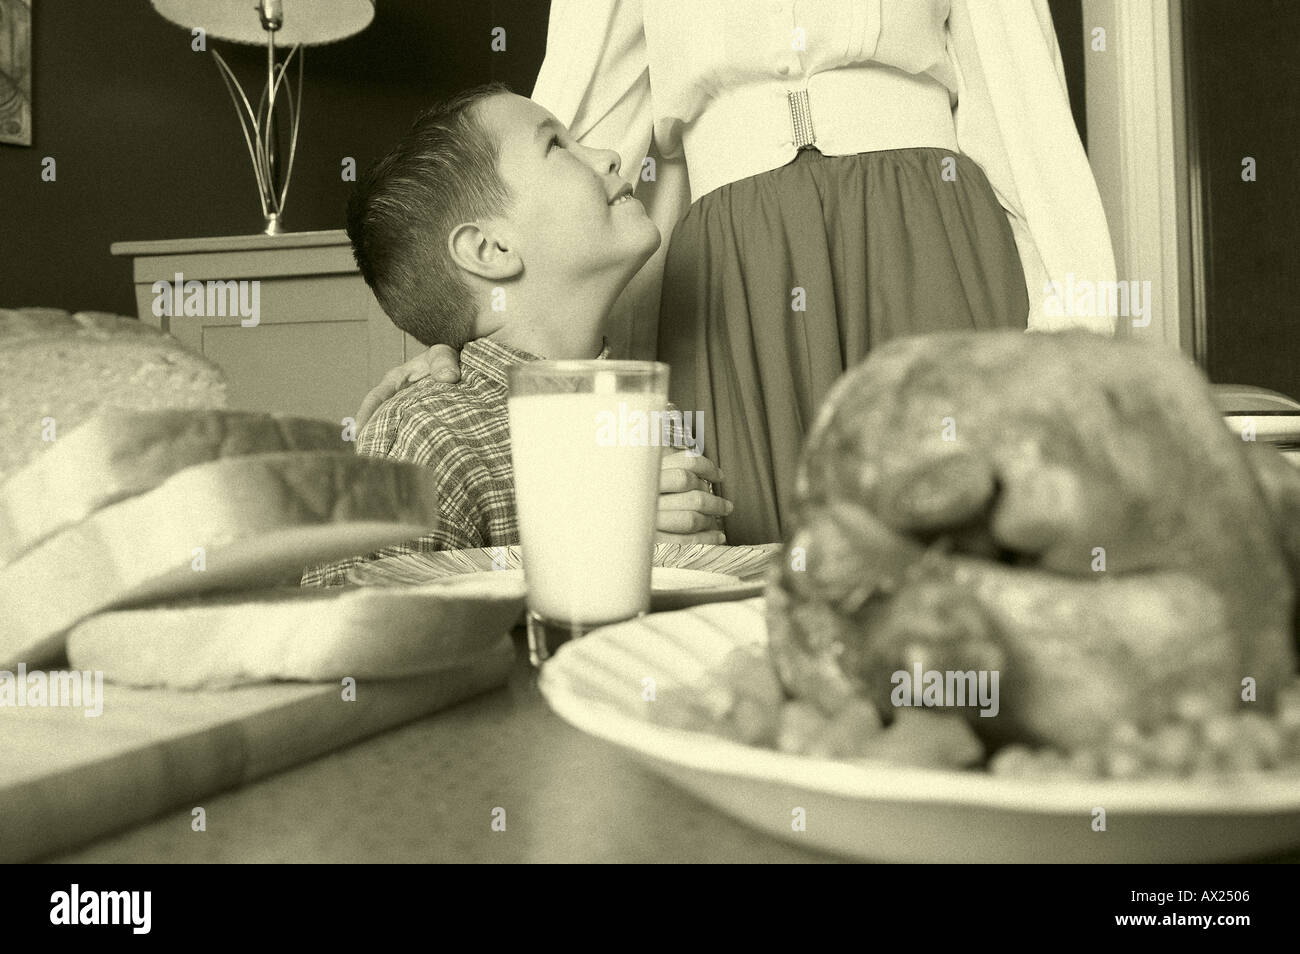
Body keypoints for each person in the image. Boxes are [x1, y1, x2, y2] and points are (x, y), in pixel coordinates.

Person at [358, 0, 1118, 545]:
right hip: (730, 287)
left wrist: (1071, 340)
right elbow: (555, 145)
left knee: (973, 569)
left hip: (931, 231)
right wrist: (468, 326)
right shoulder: (529, 232)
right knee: (740, 589)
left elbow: (1024, 101)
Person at [304, 85, 731, 585]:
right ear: (490, 248)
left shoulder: (652, 412)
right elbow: (356, 635)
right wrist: (595, 555)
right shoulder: (427, 436)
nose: (611, 155)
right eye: (556, 145)